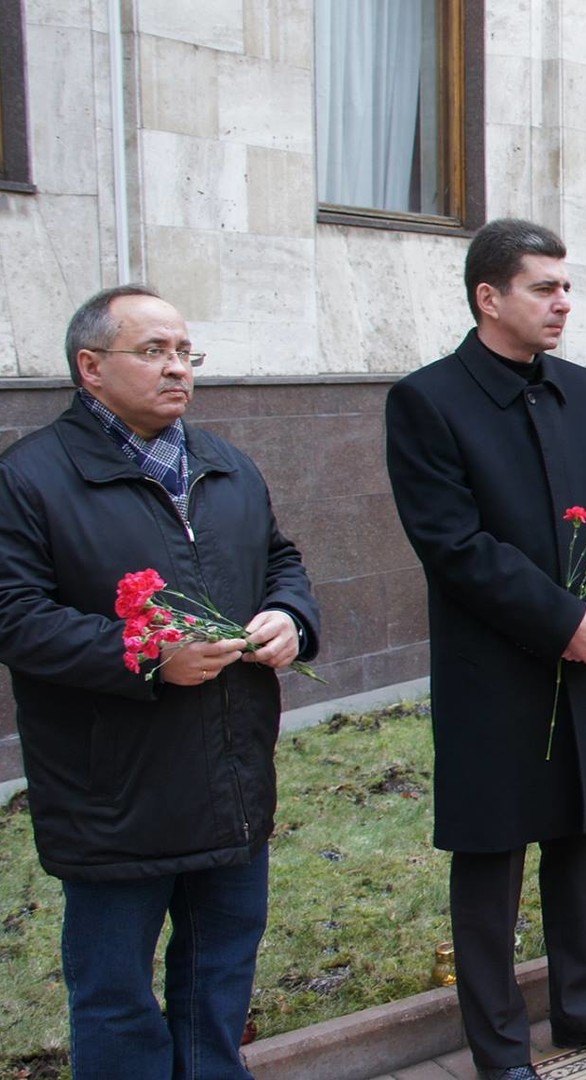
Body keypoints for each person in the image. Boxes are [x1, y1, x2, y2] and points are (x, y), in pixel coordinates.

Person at [0, 286, 319, 1079]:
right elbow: (14, 616)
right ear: (90, 368)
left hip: (232, 780)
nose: (178, 368)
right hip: (115, 793)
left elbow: (280, 559)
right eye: (154, 352)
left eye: (186, 353)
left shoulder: (224, 463)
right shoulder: (30, 478)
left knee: (218, 984)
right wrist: (146, 655)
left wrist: (290, 615)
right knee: (115, 1000)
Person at [385, 220, 586, 1079]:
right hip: (495, 672)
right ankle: (501, 1050)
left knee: (583, 838)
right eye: (544, 288)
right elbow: (455, 544)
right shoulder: (428, 401)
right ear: (488, 297)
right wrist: (559, 621)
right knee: (493, 858)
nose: (563, 302)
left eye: (566, 286)